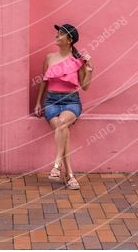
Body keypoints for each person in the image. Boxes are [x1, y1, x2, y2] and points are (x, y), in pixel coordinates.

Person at [33, 23, 93, 190]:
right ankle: (70, 175)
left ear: (70, 39)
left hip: (71, 101)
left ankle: (57, 164)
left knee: (62, 124)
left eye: (60, 35)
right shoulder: (49, 58)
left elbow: (85, 87)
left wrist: (90, 70)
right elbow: (44, 81)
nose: (56, 37)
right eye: (57, 34)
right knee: (63, 132)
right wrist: (38, 102)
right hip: (51, 101)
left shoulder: (78, 61)